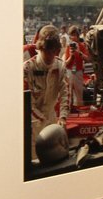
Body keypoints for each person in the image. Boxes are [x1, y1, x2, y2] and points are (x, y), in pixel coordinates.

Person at [22, 24, 69, 161]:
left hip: (52, 118)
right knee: (34, 159)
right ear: (40, 48)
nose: (50, 55)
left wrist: (63, 117)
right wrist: (42, 119)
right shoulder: (28, 68)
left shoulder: (60, 66)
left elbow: (65, 93)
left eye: (54, 51)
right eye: (47, 51)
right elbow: (26, 102)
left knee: (53, 158)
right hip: (32, 122)